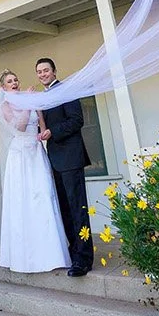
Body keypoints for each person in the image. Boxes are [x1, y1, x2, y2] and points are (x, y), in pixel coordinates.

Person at [0, 70, 72, 274]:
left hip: (36, 152)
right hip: (19, 155)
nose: (14, 83)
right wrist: (28, 103)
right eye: (10, 81)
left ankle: (51, 253)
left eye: (16, 79)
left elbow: (42, 127)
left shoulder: (30, 101)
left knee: (43, 197)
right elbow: (20, 126)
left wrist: (43, 129)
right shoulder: (5, 106)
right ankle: (25, 257)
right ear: (3, 87)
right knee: (23, 201)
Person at [35, 57, 94, 277]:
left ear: (54, 71)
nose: (42, 74)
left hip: (71, 158)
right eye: (39, 72)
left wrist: (53, 132)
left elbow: (76, 120)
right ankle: (72, 252)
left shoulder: (66, 90)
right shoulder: (44, 97)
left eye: (46, 70)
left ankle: (84, 259)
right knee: (65, 210)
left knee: (78, 210)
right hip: (56, 161)